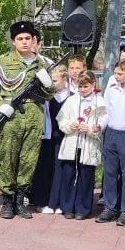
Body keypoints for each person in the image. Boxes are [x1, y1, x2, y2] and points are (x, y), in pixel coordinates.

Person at [0, 20, 54, 219]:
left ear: (34, 40)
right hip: (11, 115)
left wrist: (48, 85)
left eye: (28, 38)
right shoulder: (2, 62)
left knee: (29, 159)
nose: (24, 42)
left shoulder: (43, 64)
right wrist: (0, 105)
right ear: (13, 41)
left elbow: (49, 95)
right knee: (7, 157)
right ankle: (7, 200)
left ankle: (21, 200)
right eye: (20, 38)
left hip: (34, 115)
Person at [97, 56, 125, 225]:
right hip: (111, 133)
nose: (116, 76)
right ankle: (110, 207)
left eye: (120, 74)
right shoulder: (111, 90)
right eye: (115, 73)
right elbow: (106, 112)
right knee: (109, 172)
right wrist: (100, 125)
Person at [54, 71, 105, 219]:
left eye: (86, 86)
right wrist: (70, 125)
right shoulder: (71, 100)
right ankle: (67, 207)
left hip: (88, 145)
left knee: (86, 176)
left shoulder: (100, 102)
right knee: (68, 175)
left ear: (93, 84)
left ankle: (83, 208)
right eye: (80, 86)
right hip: (72, 142)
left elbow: (103, 123)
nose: (83, 89)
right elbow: (61, 119)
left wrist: (90, 129)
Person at [33, 64, 69, 214]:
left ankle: (57, 202)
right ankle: (44, 201)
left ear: (64, 79)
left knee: (60, 168)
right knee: (46, 167)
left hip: (63, 137)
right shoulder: (47, 97)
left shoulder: (71, 97)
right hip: (47, 136)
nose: (52, 84)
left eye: (55, 81)